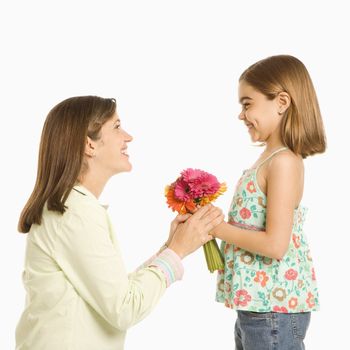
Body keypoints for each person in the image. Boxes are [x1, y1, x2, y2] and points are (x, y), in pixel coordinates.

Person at [15, 96, 224, 350]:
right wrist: (176, 252)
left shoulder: (72, 207)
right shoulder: (74, 212)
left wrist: (168, 247)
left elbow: (115, 293)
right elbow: (125, 308)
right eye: (116, 127)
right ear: (88, 145)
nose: (128, 137)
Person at [213, 55, 326, 350]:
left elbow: (276, 245)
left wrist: (218, 228)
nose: (241, 114)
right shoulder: (267, 159)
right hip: (258, 305)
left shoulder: (284, 162)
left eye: (247, 103)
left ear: (282, 102)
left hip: (273, 308)